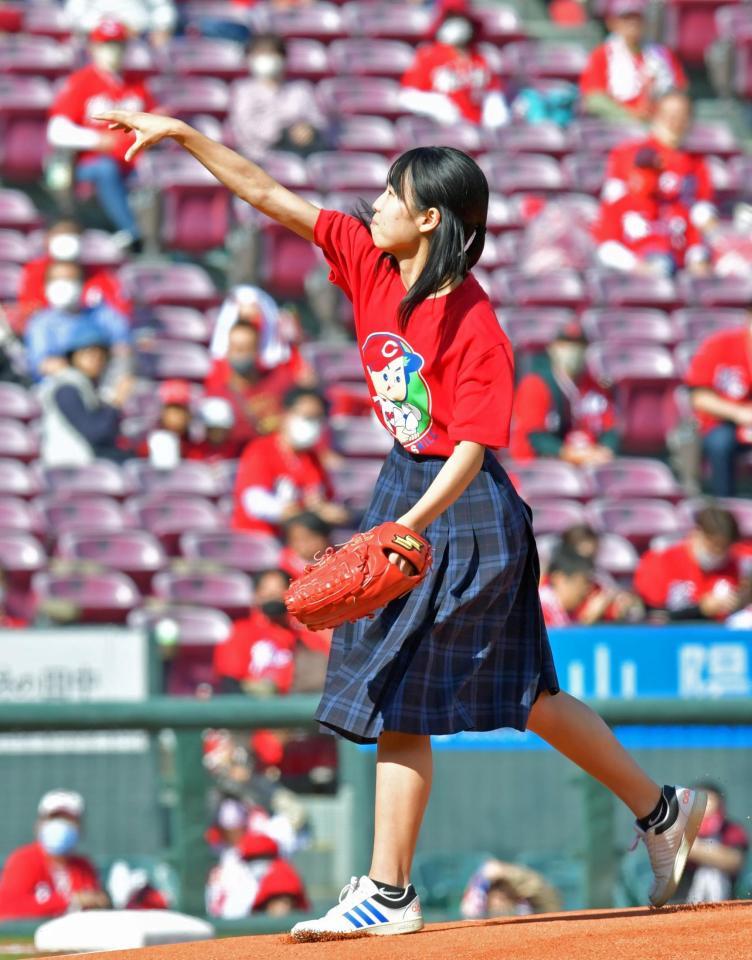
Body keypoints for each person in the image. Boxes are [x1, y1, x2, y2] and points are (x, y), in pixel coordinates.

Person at [96, 104, 709, 939]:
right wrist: (184, 135)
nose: (372, 204)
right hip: (408, 487)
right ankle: (662, 810)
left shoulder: (475, 322)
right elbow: (269, 194)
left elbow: (472, 449)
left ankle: (389, 892)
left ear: (429, 218)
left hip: (465, 503)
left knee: (402, 687)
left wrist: (405, 528)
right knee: (528, 696)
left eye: (392, 193)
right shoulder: (369, 261)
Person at [47, 20, 157, 249]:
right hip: (91, 165)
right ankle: (132, 232)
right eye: (106, 45)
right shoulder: (81, 82)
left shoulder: (137, 84)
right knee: (106, 168)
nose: (112, 51)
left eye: (117, 45)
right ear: (93, 48)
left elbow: (156, 119)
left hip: (134, 163)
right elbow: (56, 131)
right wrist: (97, 140)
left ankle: (162, 240)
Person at [231, 387, 348, 535]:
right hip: (261, 540)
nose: (314, 425)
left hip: (302, 543)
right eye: (308, 417)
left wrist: (333, 512)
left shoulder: (312, 458)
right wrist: (306, 512)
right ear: (286, 415)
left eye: (318, 419)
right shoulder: (261, 450)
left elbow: (326, 500)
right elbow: (255, 503)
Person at [602, 92, 716, 237]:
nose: (676, 121)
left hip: (681, 242)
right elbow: (613, 205)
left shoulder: (697, 163)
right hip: (639, 240)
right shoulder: (627, 154)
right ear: (655, 114)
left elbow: (702, 209)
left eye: (683, 115)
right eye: (669, 114)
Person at [509, 320, 619, 465]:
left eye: (578, 346)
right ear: (553, 348)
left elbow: (610, 429)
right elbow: (534, 437)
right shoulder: (535, 384)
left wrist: (605, 451)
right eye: (565, 345)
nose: (572, 351)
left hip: (586, 462)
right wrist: (570, 454)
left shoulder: (594, 386)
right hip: (537, 467)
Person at [593, 142, 710, 276]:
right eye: (643, 171)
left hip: (674, 273)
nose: (647, 178)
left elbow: (693, 242)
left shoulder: (674, 205)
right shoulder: (617, 206)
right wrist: (635, 265)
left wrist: (697, 259)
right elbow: (606, 249)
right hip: (632, 277)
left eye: (653, 172)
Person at [0, 790, 109, 920]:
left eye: (69, 819)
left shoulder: (84, 867)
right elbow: (8, 908)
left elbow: (95, 909)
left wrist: (100, 901)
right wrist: (70, 900)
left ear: (80, 827)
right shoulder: (23, 860)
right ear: (39, 824)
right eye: (54, 818)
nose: (61, 825)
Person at [38, 320, 133, 467]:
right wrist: (116, 403)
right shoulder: (66, 388)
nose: (95, 359)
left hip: (89, 468)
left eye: (100, 354)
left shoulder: (90, 387)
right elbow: (95, 433)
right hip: (68, 470)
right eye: (87, 353)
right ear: (73, 356)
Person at [400, 0, 508, 128]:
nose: (457, 23)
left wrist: (494, 108)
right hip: (441, 130)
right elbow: (407, 96)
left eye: (461, 18)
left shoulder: (479, 57)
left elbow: (492, 91)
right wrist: (436, 104)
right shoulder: (428, 54)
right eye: (451, 18)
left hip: (477, 129)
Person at [634, 506, 750, 621]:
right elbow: (652, 617)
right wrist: (701, 609)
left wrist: (744, 598)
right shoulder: (661, 561)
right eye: (714, 546)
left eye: (724, 548)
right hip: (673, 636)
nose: (719, 553)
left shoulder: (736, 563)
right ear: (697, 533)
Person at [25, 259, 131, 382]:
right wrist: (79, 371)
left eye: (70, 279)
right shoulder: (40, 323)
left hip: (106, 381)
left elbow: (123, 349)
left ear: (82, 283)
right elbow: (41, 364)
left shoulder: (103, 315)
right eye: (57, 280)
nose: (63, 285)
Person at [579, 0, 686, 122]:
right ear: (612, 23)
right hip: (617, 126)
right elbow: (593, 99)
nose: (633, 23)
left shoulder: (662, 54)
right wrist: (629, 116)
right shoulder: (601, 54)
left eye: (637, 18)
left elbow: (679, 90)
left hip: (659, 124)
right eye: (626, 18)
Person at [16, 219, 132, 331]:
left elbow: (120, 313)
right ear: (48, 238)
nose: (66, 239)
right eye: (61, 233)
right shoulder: (34, 271)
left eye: (73, 234)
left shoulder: (100, 274)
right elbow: (29, 311)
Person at [228, 34, 327, 162]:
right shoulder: (243, 90)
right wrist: (283, 131)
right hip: (258, 158)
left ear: (283, 57)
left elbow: (318, 120)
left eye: (270, 53)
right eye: (260, 54)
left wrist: (308, 129)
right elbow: (243, 127)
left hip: (299, 156)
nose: (265, 58)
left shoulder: (301, 89)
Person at [205, 317, 303, 444]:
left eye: (246, 348)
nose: (240, 353)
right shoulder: (217, 395)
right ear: (227, 350)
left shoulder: (281, 380)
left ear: (257, 350)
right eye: (236, 348)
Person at [684, 314, 752, 497]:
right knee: (721, 443)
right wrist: (738, 413)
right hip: (722, 423)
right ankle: (724, 505)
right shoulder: (720, 345)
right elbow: (699, 397)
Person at [214, 569, 299, 696]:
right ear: (256, 595)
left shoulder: (304, 634)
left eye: (280, 588)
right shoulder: (241, 631)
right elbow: (230, 680)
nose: (273, 594)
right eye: (266, 589)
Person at [677, 782, 749, 903]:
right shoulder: (678, 827)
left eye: (707, 800)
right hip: (680, 901)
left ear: (719, 804)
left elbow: (734, 861)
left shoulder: (731, 829)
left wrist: (693, 848)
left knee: (711, 873)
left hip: (726, 900)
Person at [460, 859, 561, 918]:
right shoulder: (476, 911)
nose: (501, 895)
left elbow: (549, 899)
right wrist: (482, 881)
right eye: (496, 890)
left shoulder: (528, 912)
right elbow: (469, 911)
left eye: (505, 892)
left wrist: (509, 873)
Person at [63, 0, 177, 46]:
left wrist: (163, 28)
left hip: (141, 40)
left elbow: (162, 7)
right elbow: (74, 13)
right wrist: (104, 25)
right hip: (98, 41)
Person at [278, 511, 332, 580]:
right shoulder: (285, 567)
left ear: (325, 537)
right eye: (296, 540)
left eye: (309, 537)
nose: (303, 544)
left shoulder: (338, 557)